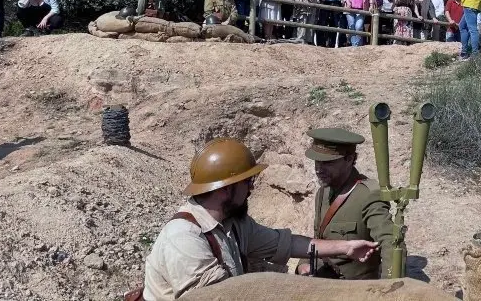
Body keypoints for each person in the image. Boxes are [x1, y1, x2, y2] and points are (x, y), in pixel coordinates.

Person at [142, 138, 377, 300]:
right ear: (225, 189)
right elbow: (219, 296)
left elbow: (286, 243)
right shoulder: (184, 238)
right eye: (248, 182)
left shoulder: (234, 223)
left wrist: (347, 248)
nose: (252, 189)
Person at [296, 128, 395, 279]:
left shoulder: (368, 194)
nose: (318, 169)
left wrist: (389, 289)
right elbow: (319, 239)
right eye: (317, 162)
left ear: (349, 159)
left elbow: (391, 244)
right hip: (323, 278)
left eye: (327, 163)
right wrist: (304, 264)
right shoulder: (323, 192)